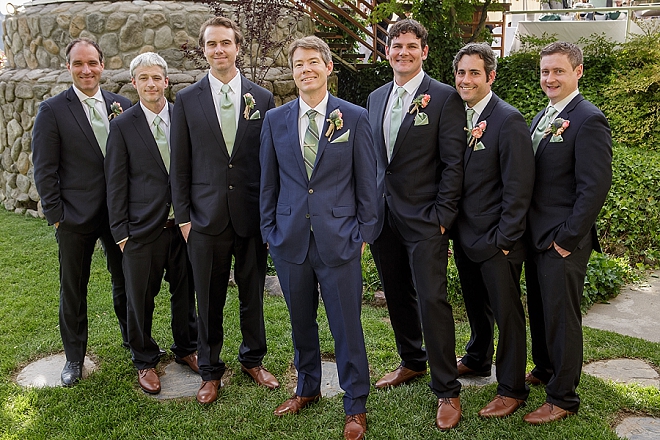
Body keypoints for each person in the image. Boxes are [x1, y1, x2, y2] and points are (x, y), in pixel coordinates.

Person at [260, 36, 377, 440]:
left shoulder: (355, 118)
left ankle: (355, 404)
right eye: (298, 64)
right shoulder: (276, 121)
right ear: (292, 73)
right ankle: (306, 387)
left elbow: (368, 182)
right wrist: (270, 231)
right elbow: (268, 183)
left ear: (328, 67)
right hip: (290, 239)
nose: (305, 69)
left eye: (313, 62)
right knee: (300, 323)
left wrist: (363, 232)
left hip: (339, 238)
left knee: (346, 325)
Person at [170, 16, 279, 405]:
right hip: (204, 218)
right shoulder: (185, 100)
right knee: (209, 296)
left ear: (238, 47)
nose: (219, 50)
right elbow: (179, 164)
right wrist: (184, 218)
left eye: (226, 43)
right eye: (212, 44)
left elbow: (268, 164)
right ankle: (211, 370)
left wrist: (269, 216)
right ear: (204, 50)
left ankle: (253, 359)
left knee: (253, 294)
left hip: (249, 216)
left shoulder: (261, 98)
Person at [365, 19, 465, 430]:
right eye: (396, 45)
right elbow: (374, 160)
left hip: (426, 220)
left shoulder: (443, 97)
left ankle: (447, 389)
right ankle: (412, 361)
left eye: (411, 46)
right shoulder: (374, 97)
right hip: (383, 217)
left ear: (424, 51)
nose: (402, 52)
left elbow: (454, 164)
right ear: (386, 51)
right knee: (396, 293)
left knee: (431, 299)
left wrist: (443, 217)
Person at [32, 38, 131, 387]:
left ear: (103, 65)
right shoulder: (53, 110)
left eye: (92, 63)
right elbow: (44, 169)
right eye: (78, 64)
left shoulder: (122, 104)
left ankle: (133, 342)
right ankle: (74, 357)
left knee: (126, 282)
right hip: (74, 217)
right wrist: (57, 215)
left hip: (120, 214)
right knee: (73, 288)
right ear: (69, 68)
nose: (86, 70)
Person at [524, 41, 612, 424]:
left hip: (562, 240)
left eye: (558, 71)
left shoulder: (588, 118)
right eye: (545, 71)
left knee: (562, 318)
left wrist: (567, 239)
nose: (550, 78)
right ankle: (544, 369)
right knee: (542, 312)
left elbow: (594, 187)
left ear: (577, 72)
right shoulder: (545, 115)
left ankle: (563, 397)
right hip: (535, 235)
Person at [105, 52, 199, 394]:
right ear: (134, 83)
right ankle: (144, 359)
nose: (151, 84)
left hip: (183, 226)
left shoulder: (183, 117)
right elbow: (115, 183)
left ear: (166, 81)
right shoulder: (122, 126)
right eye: (143, 78)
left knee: (185, 293)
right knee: (140, 298)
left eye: (156, 77)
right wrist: (121, 235)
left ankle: (187, 348)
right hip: (141, 230)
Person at [451, 43, 534, 417]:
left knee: (508, 315)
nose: (466, 80)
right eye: (461, 73)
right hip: (466, 235)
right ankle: (478, 356)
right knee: (475, 305)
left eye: (473, 73)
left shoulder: (508, 119)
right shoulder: (459, 115)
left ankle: (512, 388)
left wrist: (505, 240)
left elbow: (519, 186)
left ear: (490, 77)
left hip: (497, 239)